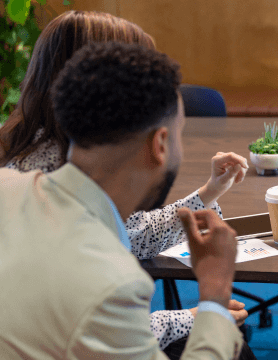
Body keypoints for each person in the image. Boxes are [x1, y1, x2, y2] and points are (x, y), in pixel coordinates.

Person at [0, 11, 249, 349]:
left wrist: (207, 194)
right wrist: (212, 303)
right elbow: (110, 323)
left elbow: (131, 232)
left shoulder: (14, 181)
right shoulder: (114, 283)